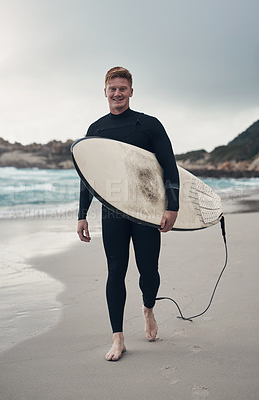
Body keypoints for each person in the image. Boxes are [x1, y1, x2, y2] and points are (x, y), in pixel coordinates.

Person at [77, 66, 179, 361]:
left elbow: (169, 167)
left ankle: (148, 308)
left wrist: (172, 206)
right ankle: (118, 338)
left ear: (131, 91)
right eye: (113, 89)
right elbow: (88, 176)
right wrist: (82, 214)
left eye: (123, 89)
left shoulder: (149, 125)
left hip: (146, 211)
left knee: (148, 272)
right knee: (115, 271)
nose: (117, 94)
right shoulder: (95, 130)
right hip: (113, 213)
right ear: (105, 92)